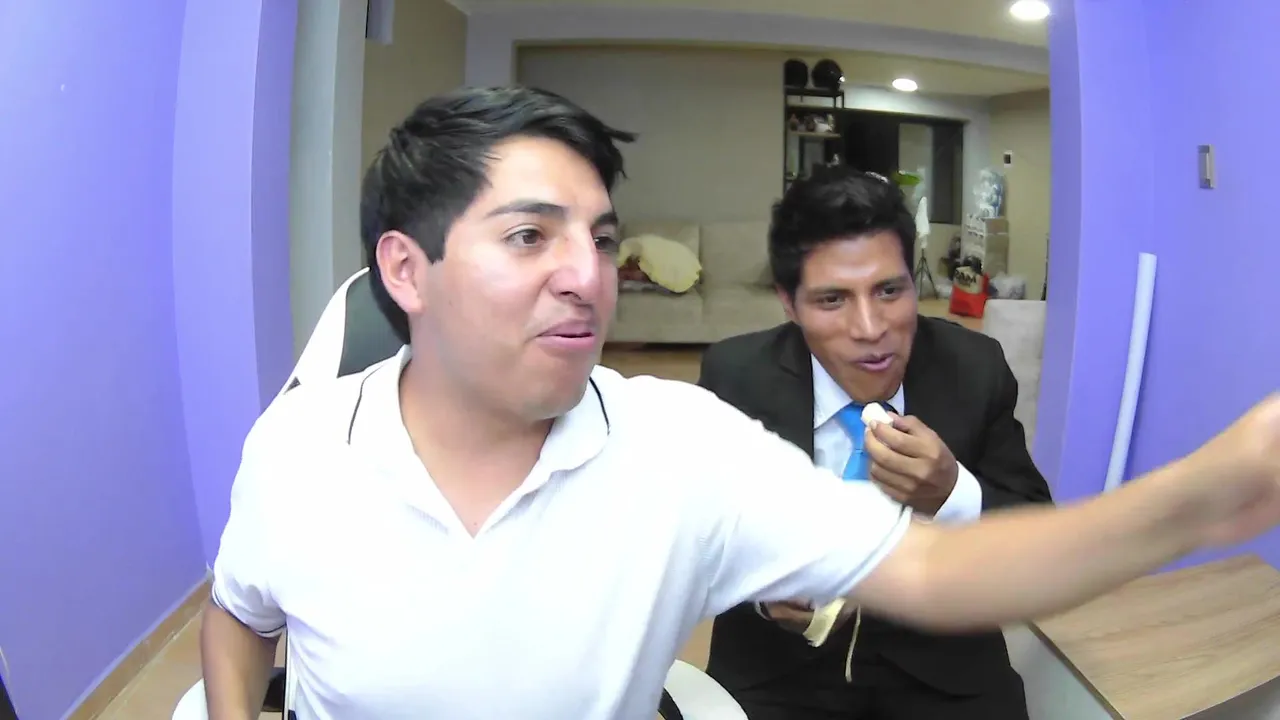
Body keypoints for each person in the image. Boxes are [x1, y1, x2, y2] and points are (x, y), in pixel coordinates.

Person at [199, 85, 1280, 720]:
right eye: (530, 236)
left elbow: (939, 571)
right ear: (406, 269)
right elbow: (240, 617)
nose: (589, 276)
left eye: (602, 240)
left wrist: (1201, 497)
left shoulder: (677, 443)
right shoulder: (298, 446)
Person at [698, 166, 1052, 719]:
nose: (870, 328)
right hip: (777, 670)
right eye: (832, 300)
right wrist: (761, 596)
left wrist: (952, 493)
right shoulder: (736, 376)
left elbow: (1036, 535)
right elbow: (700, 533)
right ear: (789, 303)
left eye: (889, 290)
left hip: (945, 666)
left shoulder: (974, 368)